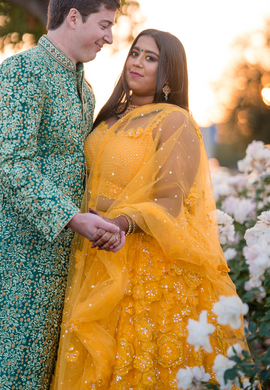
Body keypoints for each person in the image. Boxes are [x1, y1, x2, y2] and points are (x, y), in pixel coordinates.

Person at [52, 29, 245, 389]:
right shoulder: (109, 116)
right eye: (135, 53)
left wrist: (120, 223)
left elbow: (170, 202)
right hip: (94, 253)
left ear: (169, 75)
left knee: (139, 364)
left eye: (150, 58)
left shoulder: (175, 121)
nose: (137, 62)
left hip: (144, 262)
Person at [0, 0, 124, 390]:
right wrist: (71, 217)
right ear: (74, 17)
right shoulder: (22, 72)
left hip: (63, 259)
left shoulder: (85, 89)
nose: (108, 37)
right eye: (104, 24)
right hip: (18, 256)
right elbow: (12, 164)